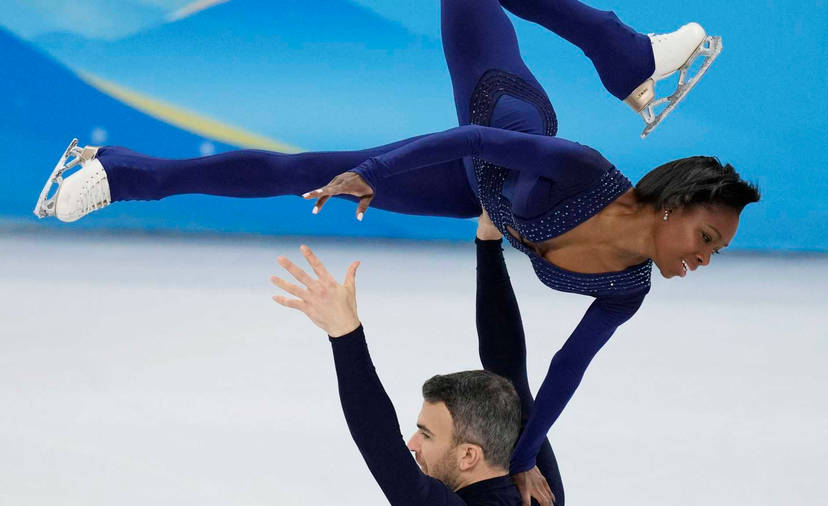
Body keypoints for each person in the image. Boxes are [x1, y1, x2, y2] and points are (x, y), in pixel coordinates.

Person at [35, 1, 760, 502]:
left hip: (483, 199)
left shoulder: (627, 287)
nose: (703, 258)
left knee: (301, 178)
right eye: (705, 237)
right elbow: (476, 142)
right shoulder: (585, 171)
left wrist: (525, 457)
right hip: (497, 116)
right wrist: (376, 173)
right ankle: (123, 174)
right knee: (316, 169)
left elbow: (559, 373)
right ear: (671, 206)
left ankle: (626, 52)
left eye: (716, 252)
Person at [270, 242, 526, 505]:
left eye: (426, 435)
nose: (412, 444)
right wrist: (488, 242)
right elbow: (507, 362)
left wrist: (345, 335)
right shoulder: (540, 493)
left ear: (468, 455)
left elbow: (381, 442)